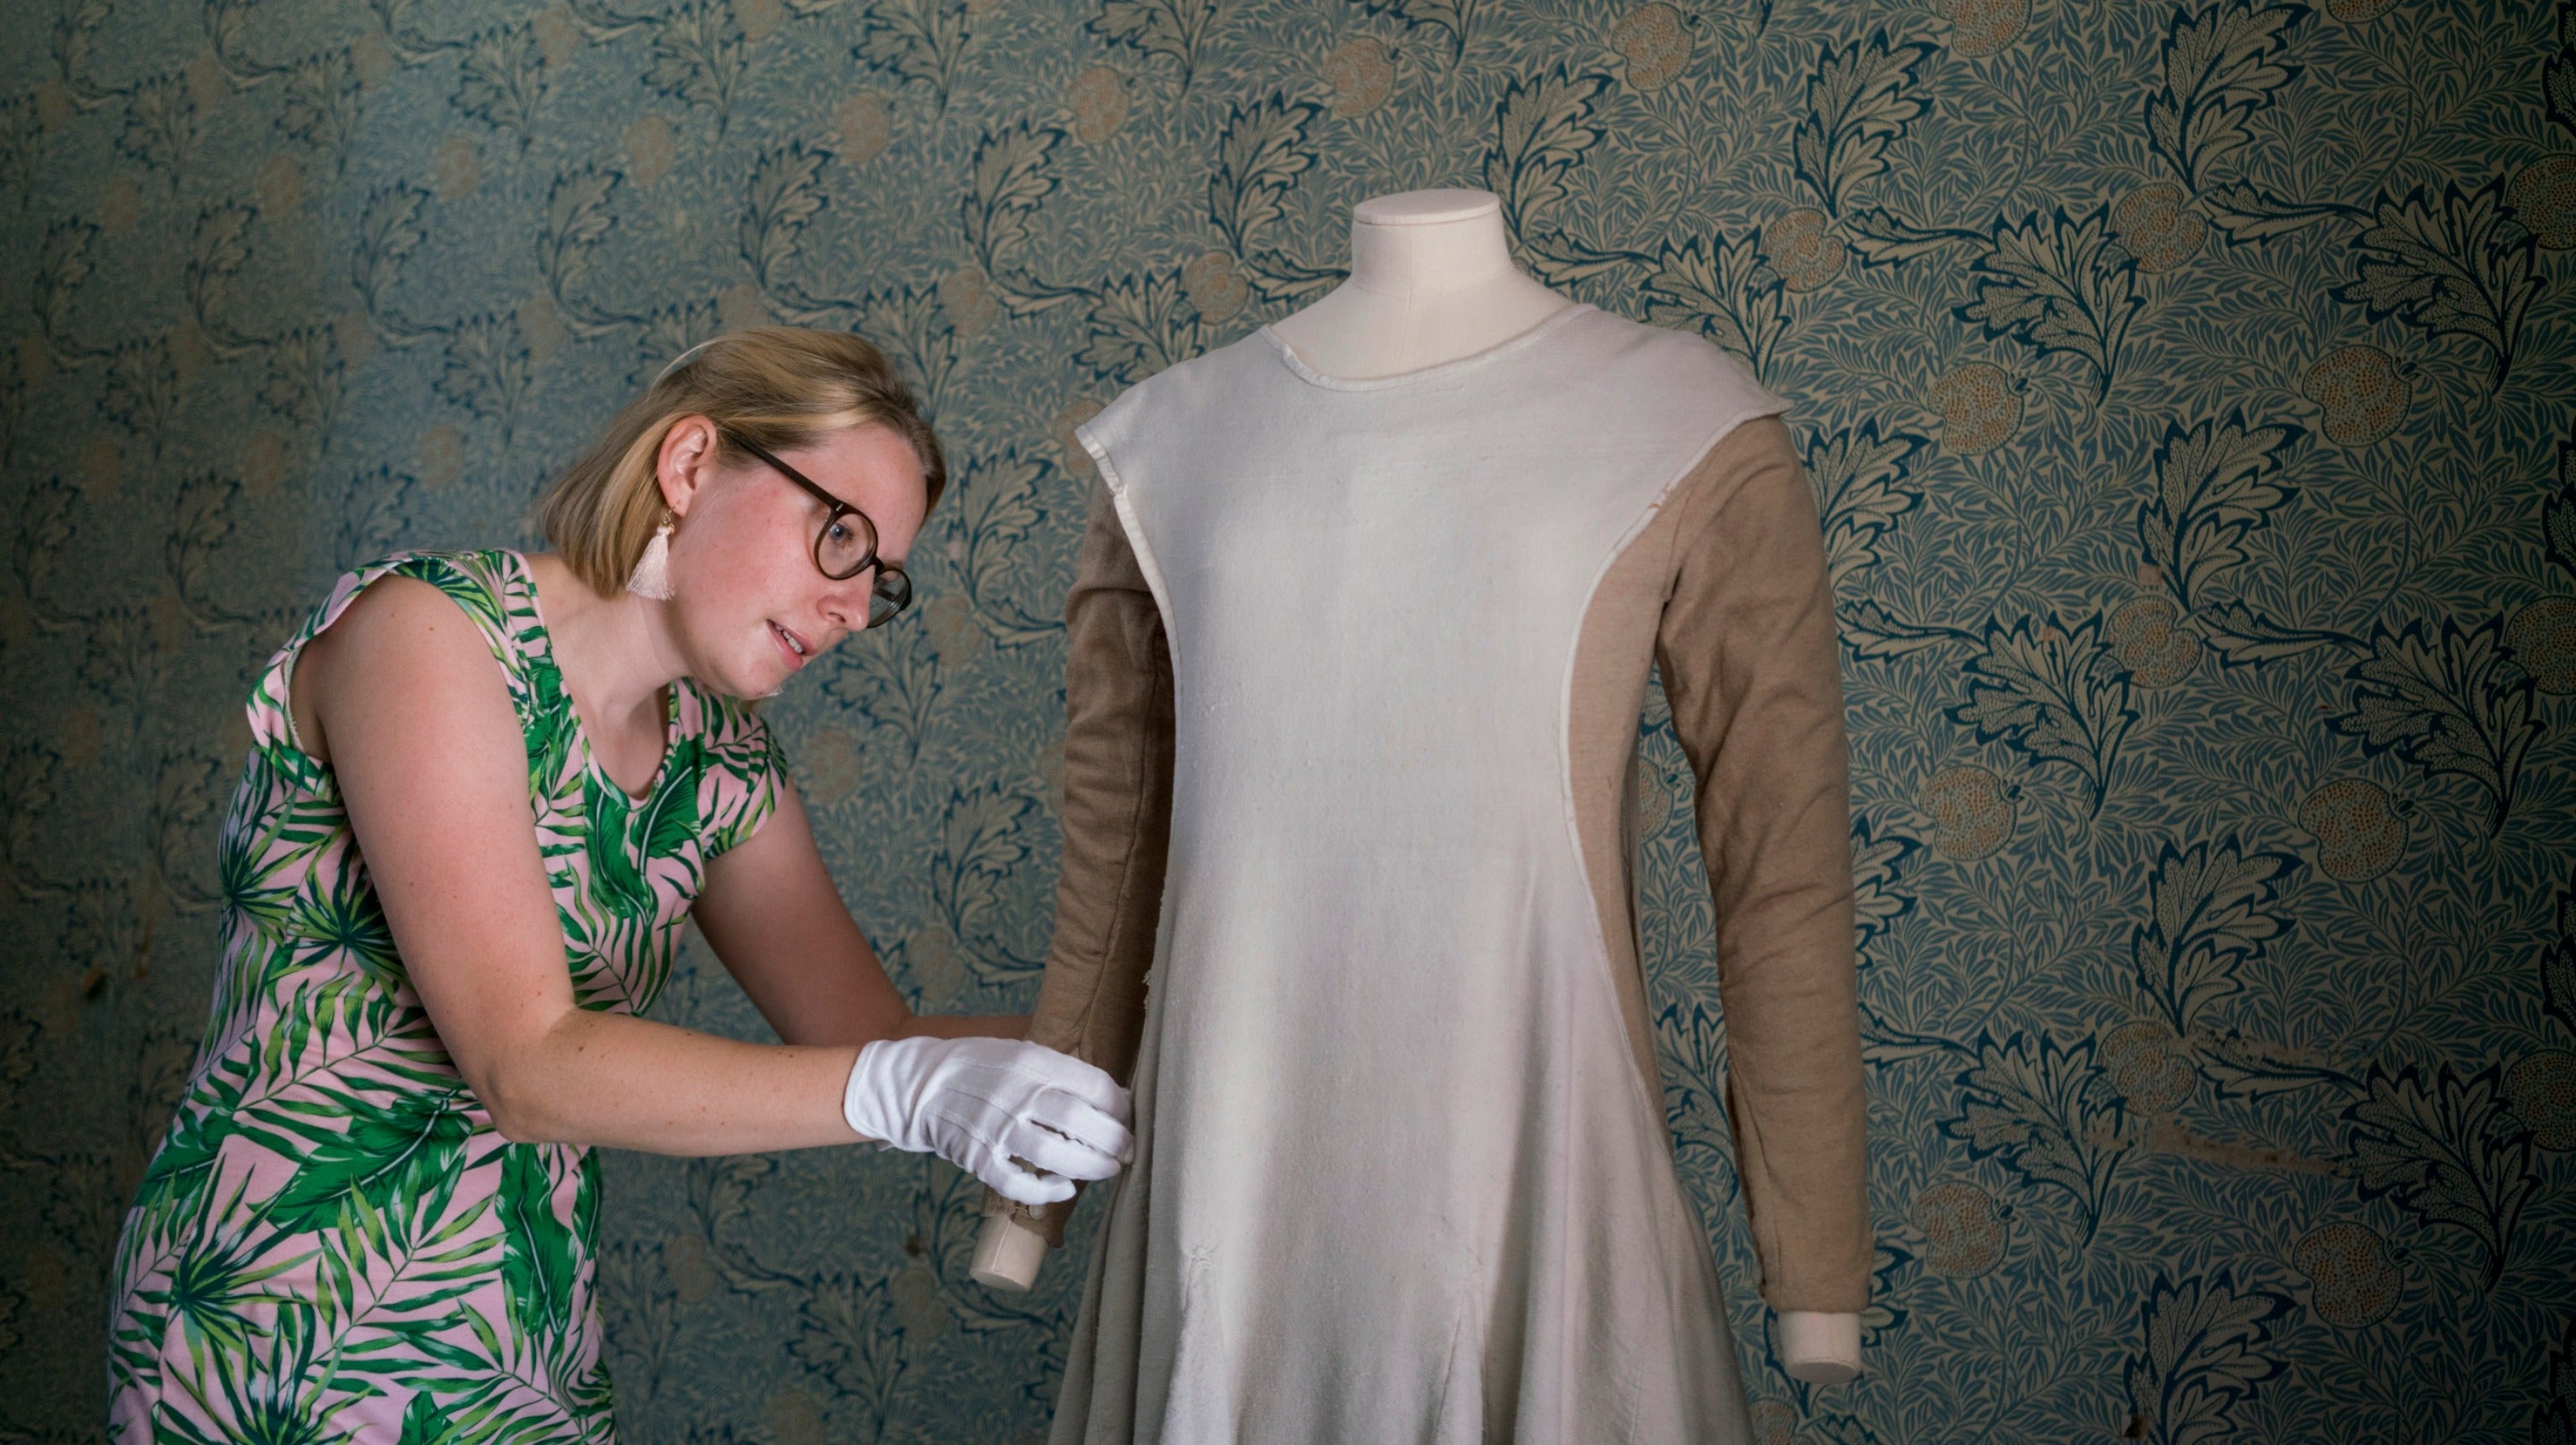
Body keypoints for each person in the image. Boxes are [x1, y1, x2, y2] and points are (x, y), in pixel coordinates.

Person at [104, 327, 1131, 1441]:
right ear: (689, 465)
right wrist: (907, 1088)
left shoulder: (719, 764)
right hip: (277, 1324)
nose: (850, 608)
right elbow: (526, 1062)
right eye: (840, 536)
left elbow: (875, 1038)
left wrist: (1150, 1048)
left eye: (880, 580)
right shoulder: (429, 637)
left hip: (519, 1347)